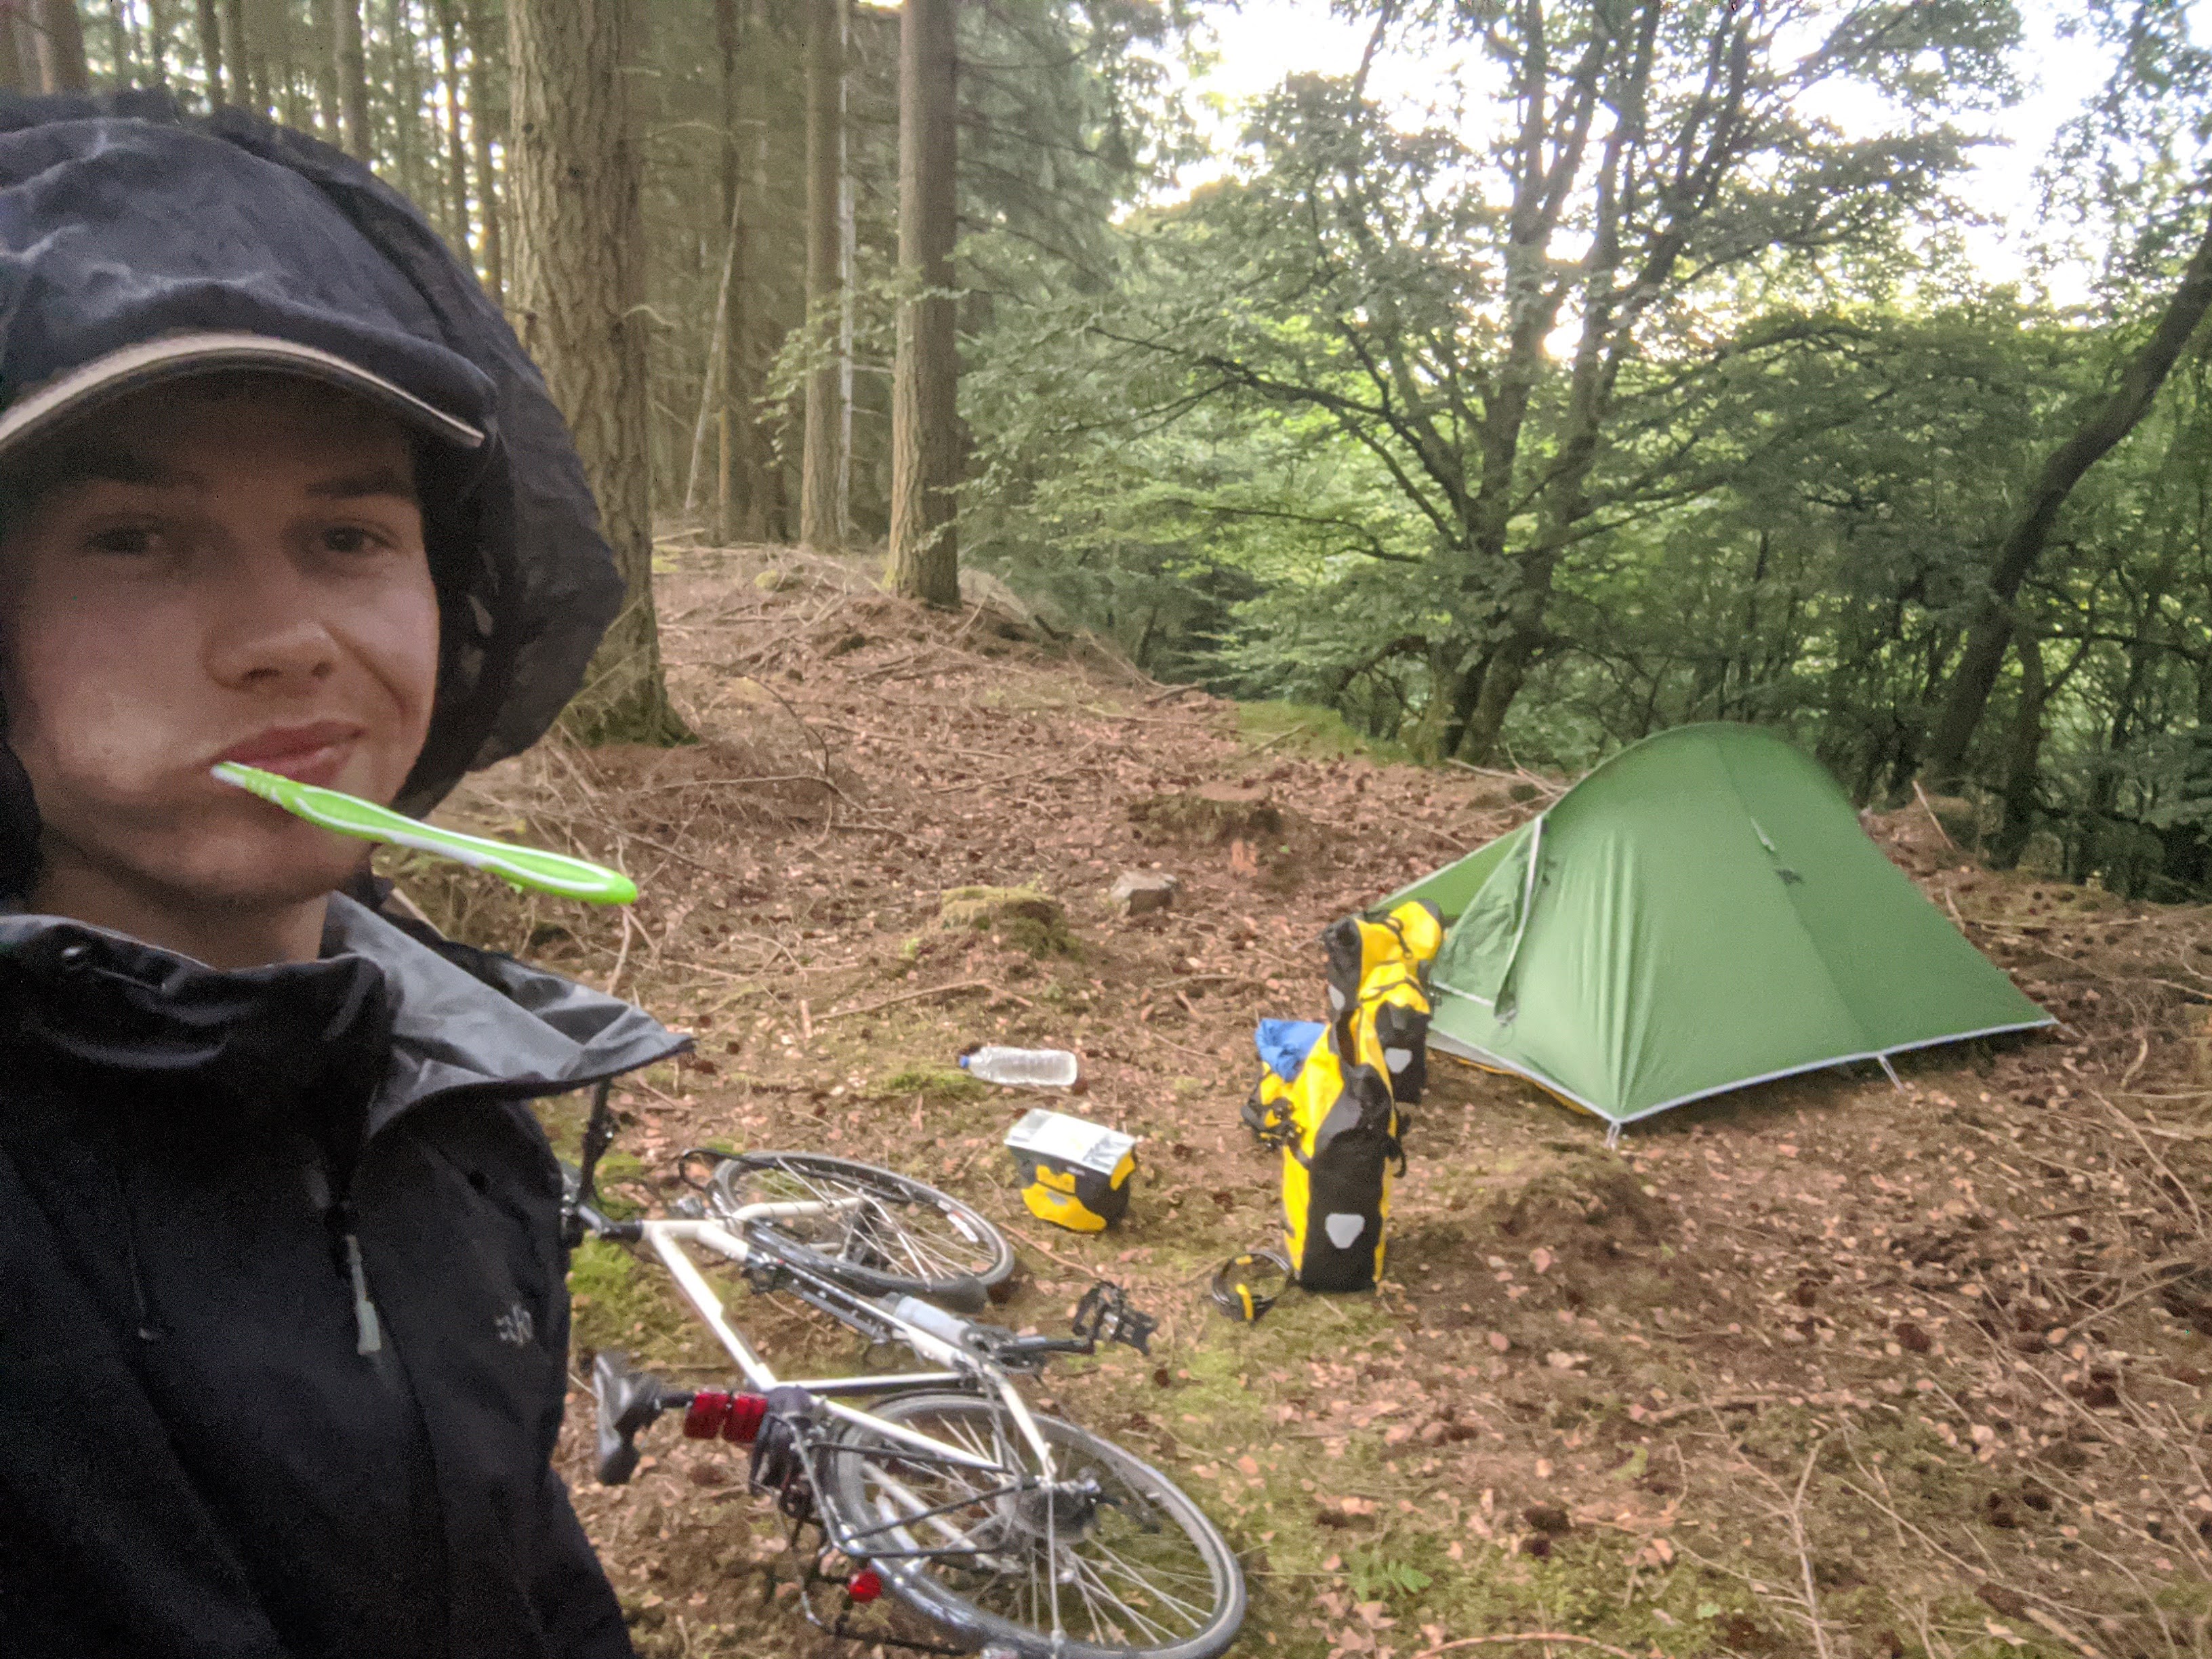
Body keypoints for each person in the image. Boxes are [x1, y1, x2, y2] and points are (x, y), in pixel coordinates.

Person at [0, 94, 683, 1658]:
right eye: (136, 539)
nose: (283, 639)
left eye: (349, 536)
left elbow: (519, 1571)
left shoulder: (444, 1092)